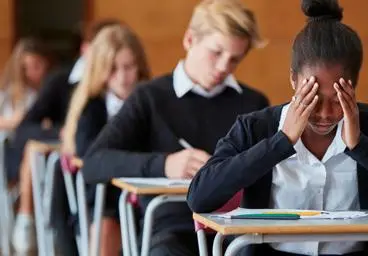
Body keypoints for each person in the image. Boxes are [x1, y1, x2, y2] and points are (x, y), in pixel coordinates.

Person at [187, 0, 368, 255]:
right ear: (293, 79)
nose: (324, 114)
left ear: (353, 86)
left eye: (337, 99)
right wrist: (282, 141)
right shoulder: (256, 127)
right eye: (313, 98)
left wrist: (360, 146)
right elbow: (199, 197)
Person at [81, 0, 269, 255]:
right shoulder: (149, 97)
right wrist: (165, 165)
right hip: (172, 229)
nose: (224, 66)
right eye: (216, 53)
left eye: (235, 59)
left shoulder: (253, 102)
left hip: (238, 230)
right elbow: (94, 162)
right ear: (189, 40)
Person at [10, 19, 122, 254]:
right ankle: (27, 220)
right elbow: (25, 128)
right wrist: (60, 132)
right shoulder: (61, 81)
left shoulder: (134, 90)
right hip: (72, 168)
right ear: (86, 49)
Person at [61, 24, 150, 256]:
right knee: (108, 221)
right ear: (99, 70)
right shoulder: (91, 108)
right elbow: (91, 160)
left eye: (128, 67)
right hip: (103, 200)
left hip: (145, 194)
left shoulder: (151, 101)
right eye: (112, 69)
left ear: (139, 66)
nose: (122, 77)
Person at [0, 37, 52, 139]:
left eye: (36, 66)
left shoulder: (51, 90)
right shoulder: (9, 90)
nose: (30, 72)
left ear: (46, 63)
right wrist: (14, 122)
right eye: (25, 68)